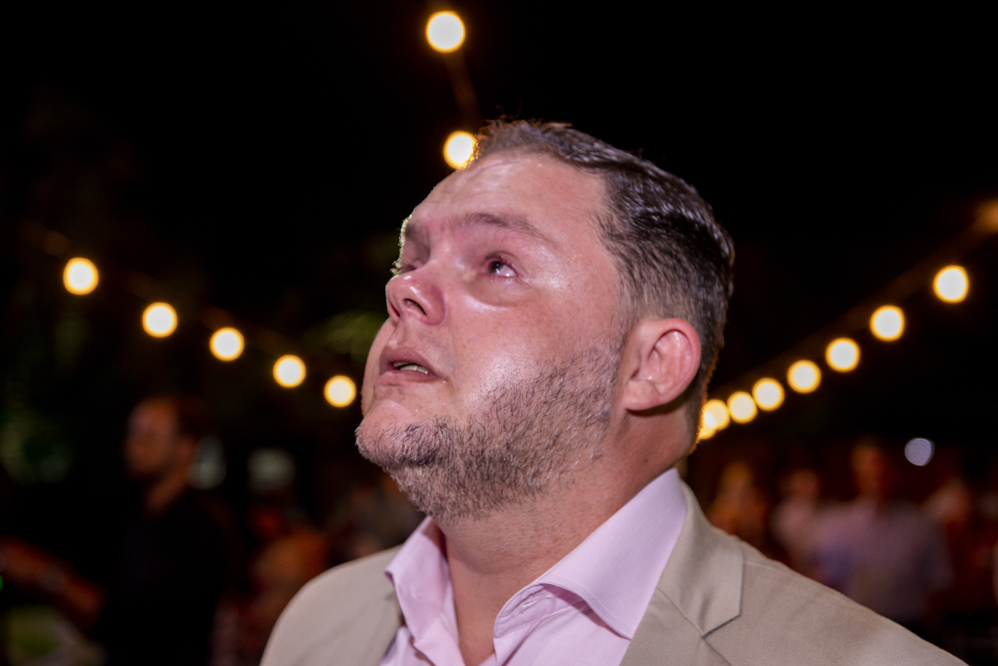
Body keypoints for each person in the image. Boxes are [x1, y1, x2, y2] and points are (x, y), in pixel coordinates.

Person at [261, 121, 962, 665]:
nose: (402, 288)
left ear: (652, 365)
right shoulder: (318, 624)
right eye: (411, 260)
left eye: (498, 263)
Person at [0, 395, 234, 665]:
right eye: (133, 435)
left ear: (186, 447)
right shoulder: (138, 517)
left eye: (150, 437)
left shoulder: (198, 528)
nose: (135, 446)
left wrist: (44, 575)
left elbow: (139, 625)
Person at [814, 441, 952, 635]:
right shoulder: (839, 525)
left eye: (882, 470)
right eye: (869, 472)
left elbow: (938, 582)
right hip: (859, 627)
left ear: (894, 472)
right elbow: (829, 582)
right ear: (857, 476)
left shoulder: (921, 525)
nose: (877, 477)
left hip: (911, 628)